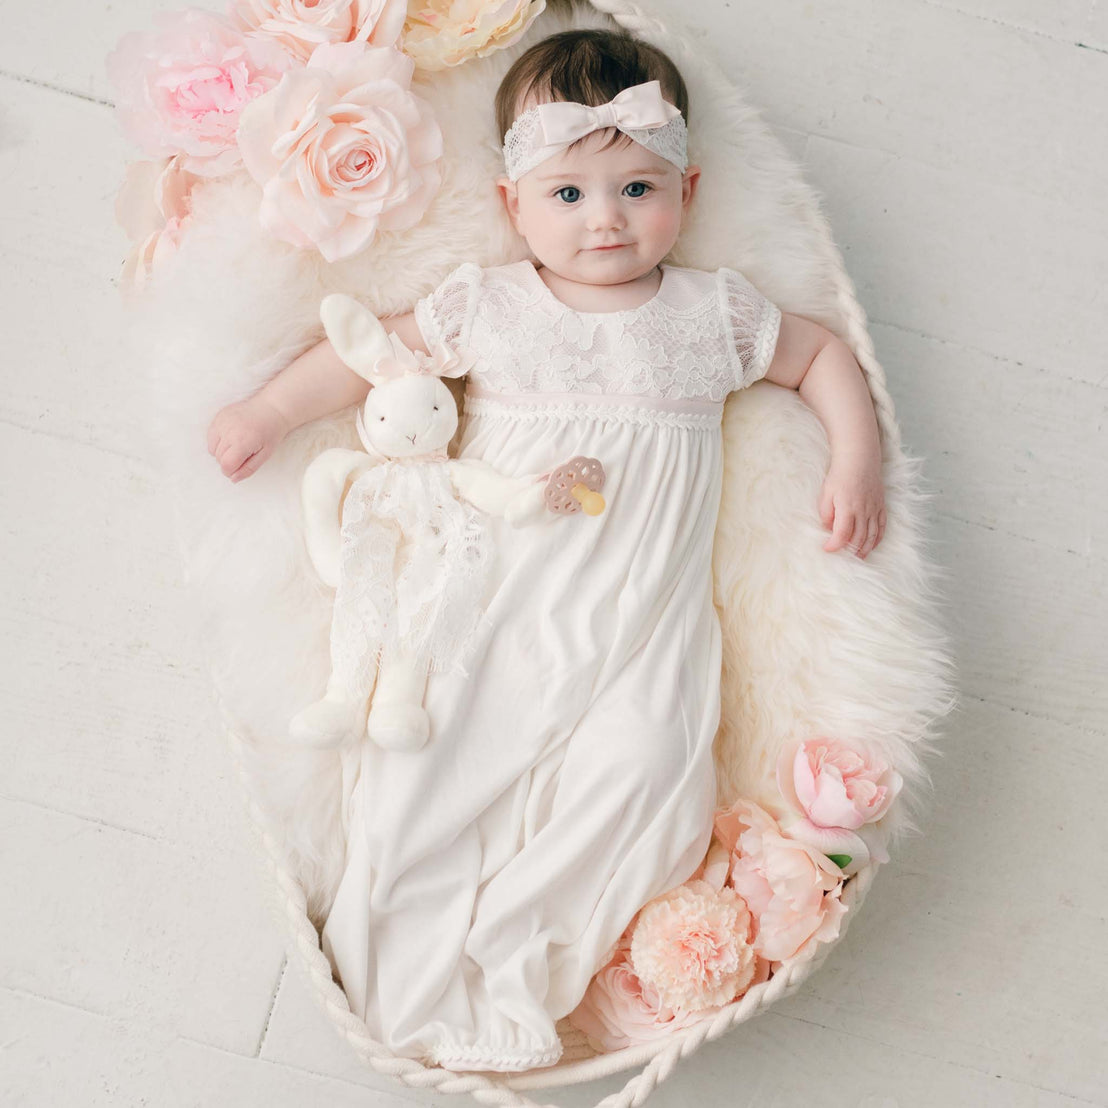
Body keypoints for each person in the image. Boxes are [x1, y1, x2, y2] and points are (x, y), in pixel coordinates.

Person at [206, 27, 887, 1073]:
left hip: (647, 624)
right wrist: (265, 409)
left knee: (654, 782)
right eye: (567, 193)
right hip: (500, 601)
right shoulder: (494, 306)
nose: (605, 219)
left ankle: (521, 963)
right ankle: (408, 968)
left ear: (688, 190)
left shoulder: (713, 316)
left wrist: (854, 462)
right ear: (510, 205)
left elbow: (823, 354)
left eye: (636, 188)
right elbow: (367, 355)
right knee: (431, 771)